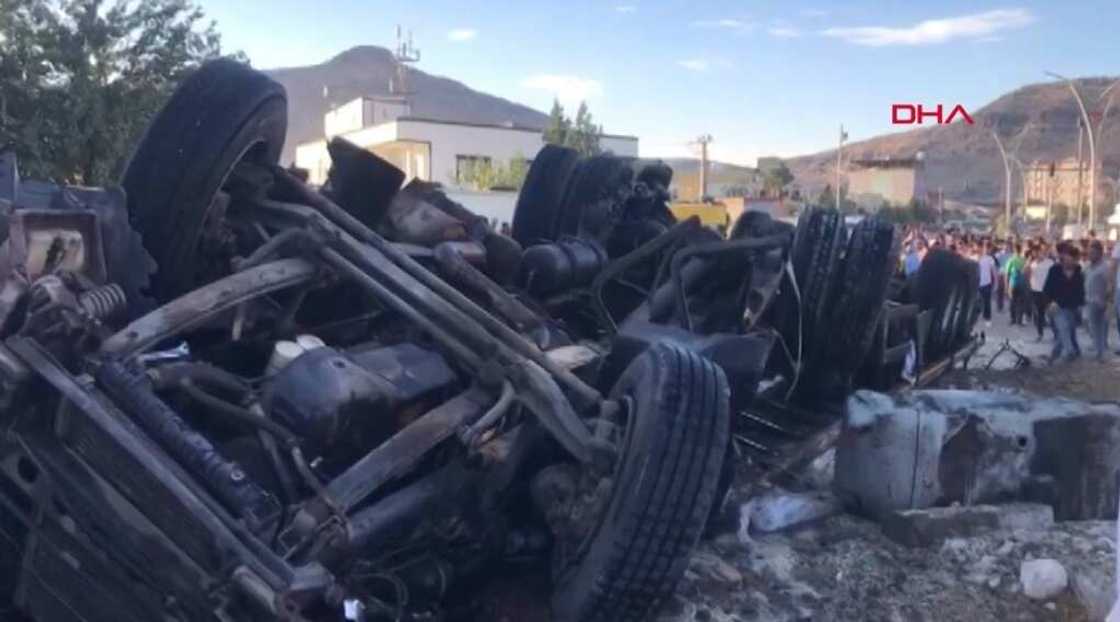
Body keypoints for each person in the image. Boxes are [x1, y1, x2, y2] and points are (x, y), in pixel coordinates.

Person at [1044, 244, 1086, 363]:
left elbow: (1080, 294)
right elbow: (1047, 289)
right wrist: (1049, 303)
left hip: (1072, 308)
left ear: (1076, 260)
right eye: (1066, 259)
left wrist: (1080, 307)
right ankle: (1070, 352)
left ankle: (1054, 356)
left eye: (1071, 260)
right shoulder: (1055, 270)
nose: (1067, 263)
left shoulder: (1079, 274)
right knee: (1064, 327)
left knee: (1066, 332)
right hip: (1055, 307)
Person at [1085, 241, 1111, 361]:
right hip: (1089, 300)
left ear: (1100, 253)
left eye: (1093, 253)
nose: (1090, 255)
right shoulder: (1088, 266)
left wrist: (1107, 301)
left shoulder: (1105, 268)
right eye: (1089, 253)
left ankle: (1100, 352)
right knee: (1092, 327)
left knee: (1098, 327)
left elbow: (1109, 285)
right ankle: (1099, 350)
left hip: (1100, 301)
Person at [978, 241, 998, 328]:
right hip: (977, 283)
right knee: (977, 301)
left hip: (986, 283)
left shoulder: (990, 259)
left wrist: (996, 282)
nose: (985, 249)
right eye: (983, 247)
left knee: (987, 302)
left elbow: (994, 271)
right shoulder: (975, 257)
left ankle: (987, 318)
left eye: (987, 247)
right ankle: (977, 316)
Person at [1007, 244, 1027, 326]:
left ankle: (1013, 319)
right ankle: (1020, 320)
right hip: (1022, 284)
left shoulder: (1011, 260)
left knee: (1012, 302)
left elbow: (1007, 273)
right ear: (1020, 249)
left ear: (1014, 250)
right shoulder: (1024, 260)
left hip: (1013, 283)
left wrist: (1006, 285)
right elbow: (1026, 272)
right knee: (1021, 303)